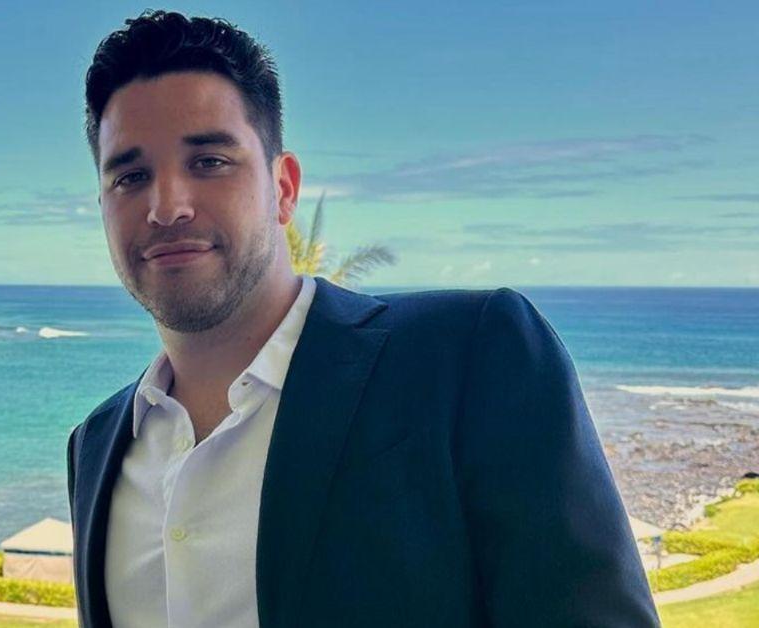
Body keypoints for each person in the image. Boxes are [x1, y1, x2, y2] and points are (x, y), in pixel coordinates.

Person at [66, 10, 659, 628]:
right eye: (130, 176)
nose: (167, 206)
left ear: (284, 189)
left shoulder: (468, 359)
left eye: (209, 161)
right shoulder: (95, 446)